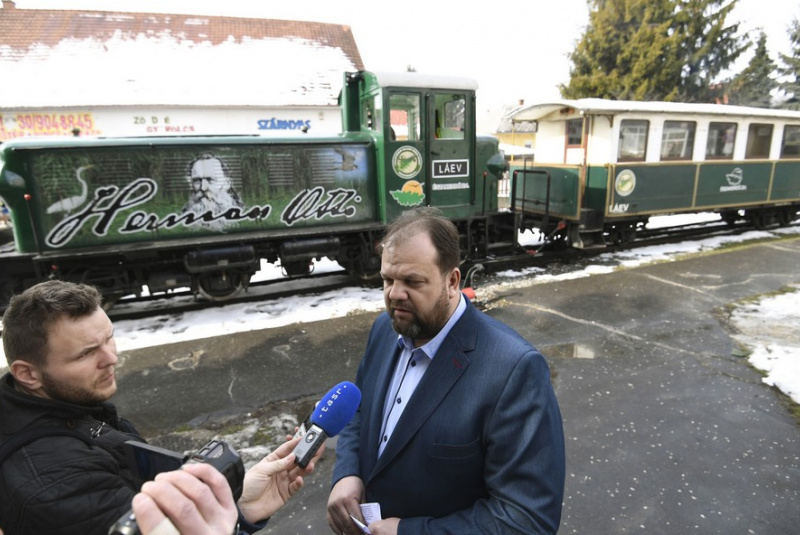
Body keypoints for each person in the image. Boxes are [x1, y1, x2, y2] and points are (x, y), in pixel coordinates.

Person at [0, 280, 320, 535]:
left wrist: (240, 508)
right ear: (28, 374)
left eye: (109, 338)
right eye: (86, 354)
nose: (112, 358)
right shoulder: (55, 485)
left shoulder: (69, 408)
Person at [327, 207, 566, 535]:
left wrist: (409, 532)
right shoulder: (385, 329)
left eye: (412, 281)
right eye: (387, 279)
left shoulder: (514, 369)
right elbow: (360, 412)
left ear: (452, 281)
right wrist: (347, 474)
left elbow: (527, 519)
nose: (394, 293)